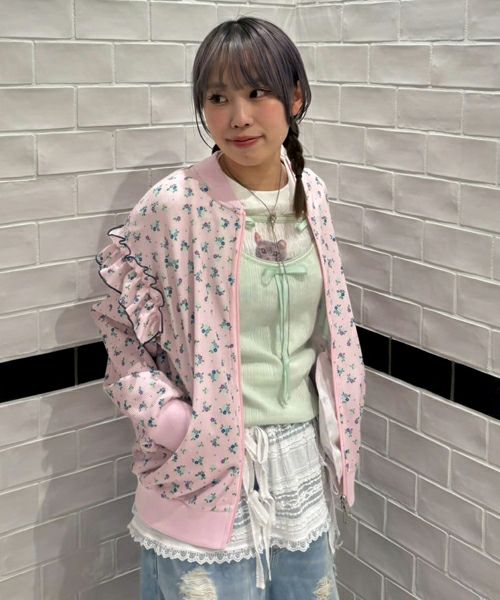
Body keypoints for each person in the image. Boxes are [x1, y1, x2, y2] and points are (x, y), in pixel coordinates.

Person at [91, 16, 365, 600]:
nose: (238, 116)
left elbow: (328, 329)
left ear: (295, 98)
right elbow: (119, 328)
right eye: (218, 98)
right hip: (204, 466)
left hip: (298, 461)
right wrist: (173, 423)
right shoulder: (174, 205)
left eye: (257, 92)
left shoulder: (311, 195)